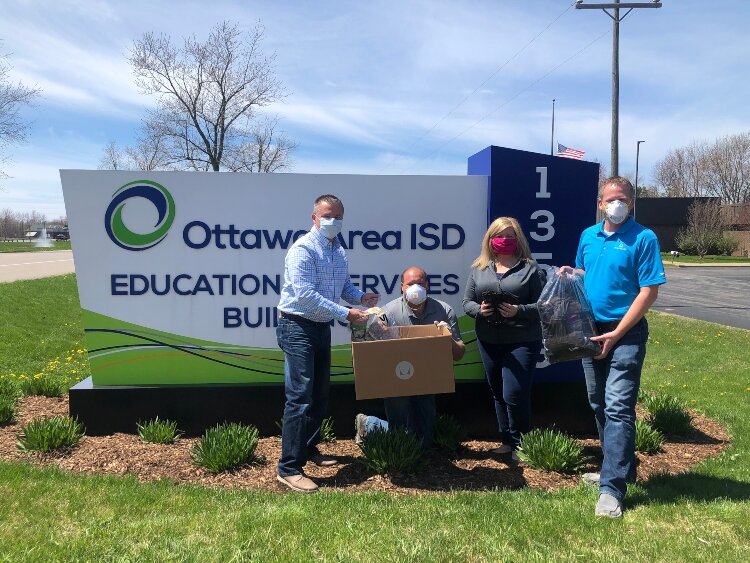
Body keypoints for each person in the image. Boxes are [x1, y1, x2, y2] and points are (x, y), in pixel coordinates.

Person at [559, 176, 666, 518]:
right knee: (597, 402)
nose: (616, 204)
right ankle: (618, 468)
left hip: (627, 333)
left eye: (622, 199)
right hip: (589, 331)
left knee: (618, 406)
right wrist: (570, 273)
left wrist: (618, 333)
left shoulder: (644, 238)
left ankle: (612, 489)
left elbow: (649, 291)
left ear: (630, 203)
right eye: (610, 199)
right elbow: (586, 271)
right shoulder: (588, 237)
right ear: (600, 203)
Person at [276, 194, 379, 493]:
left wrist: (360, 298)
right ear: (314, 218)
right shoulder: (303, 250)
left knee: (319, 394)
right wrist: (347, 313)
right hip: (296, 326)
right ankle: (289, 468)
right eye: (327, 216)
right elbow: (306, 295)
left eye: (337, 216)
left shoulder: (338, 251)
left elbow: (342, 286)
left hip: (320, 327)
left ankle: (308, 449)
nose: (332, 222)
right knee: (299, 397)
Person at [462, 217, 546, 461]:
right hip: (488, 339)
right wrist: (480, 310)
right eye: (500, 235)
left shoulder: (531, 268)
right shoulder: (479, 268)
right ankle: (507, 441)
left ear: (518, 239)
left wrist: (520, 311)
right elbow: (467, 302)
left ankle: (522, 443)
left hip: (522, 339)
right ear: (490, 239)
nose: (505, 240)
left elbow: (544, 305)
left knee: (515, 393)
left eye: (511, 236)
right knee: (498, 391)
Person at [354, 266, 465, 450]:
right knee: (401, 439)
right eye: (411, 284)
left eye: (420, 283)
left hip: (428, 381)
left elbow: (459, 354)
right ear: (402, 287)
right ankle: (372, 426)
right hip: (396, 381)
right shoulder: (388, 312)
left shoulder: (444, 310)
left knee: (423, 445)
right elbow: (374, 353)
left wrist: (448, 338)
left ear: (427, 285)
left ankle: (370, 425)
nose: (416, 288)